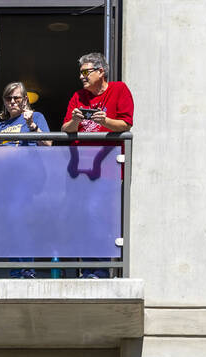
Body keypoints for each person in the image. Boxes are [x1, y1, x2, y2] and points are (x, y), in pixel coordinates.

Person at [62, 53, 132, 278]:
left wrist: (105, 122)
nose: (81, 77)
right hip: (78, 168)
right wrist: (76, 119)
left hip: (107, 169)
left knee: (97, 214)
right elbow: (66, 128)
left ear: (100, 72)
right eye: (80, 73)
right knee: (81, 217)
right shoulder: (78, 96)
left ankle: (101, 270)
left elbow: (126, 123)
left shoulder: (119, 89)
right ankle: (88, 269)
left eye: (86, 72)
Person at [0, 82, 51, 147]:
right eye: (8, 99)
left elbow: (48, 144)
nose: (12, 101)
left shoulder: (36, 117)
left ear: (25, 100)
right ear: (4, 102)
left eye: (16, 98)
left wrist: (31, 124)